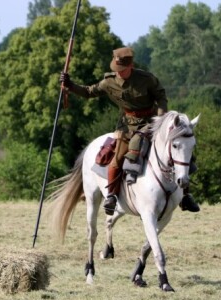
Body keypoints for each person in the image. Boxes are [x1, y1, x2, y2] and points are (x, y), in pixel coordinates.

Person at [59, 47, 199, 215]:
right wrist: (70, 85)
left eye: (122, 70)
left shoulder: (146, 79)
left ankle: (185, 195)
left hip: (153, 121)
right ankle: (111, 196)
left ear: (130, 66)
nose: (119, 73)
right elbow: (89, 92)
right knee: (117, 158)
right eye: (116, 69)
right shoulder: (108, 82)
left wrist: (161, 118)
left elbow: (161, 96)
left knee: (181, 150)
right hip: (128, 126)